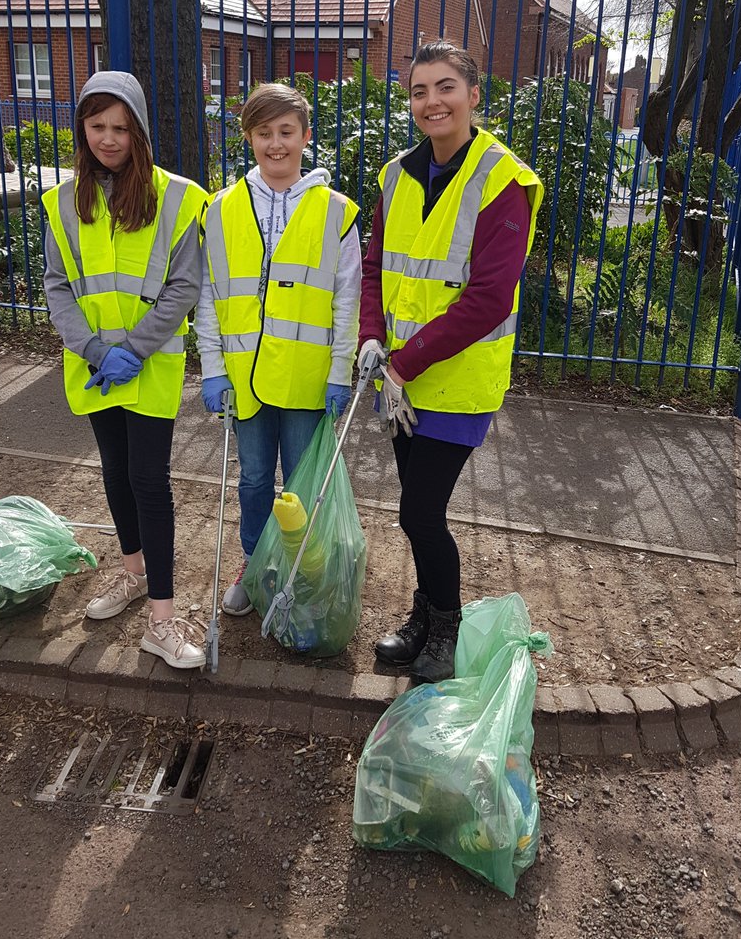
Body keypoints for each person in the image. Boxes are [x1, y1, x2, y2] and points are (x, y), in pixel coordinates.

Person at [359, 41, 543, 682]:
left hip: (456, 381)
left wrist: (405, 362)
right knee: (416, 504)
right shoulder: (395, 175)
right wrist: (370, 339)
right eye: (418, 91)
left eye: (445, 88)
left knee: (419, 512)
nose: (430, 102)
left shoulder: (503, 180)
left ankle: (446, 627)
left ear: (472, 95)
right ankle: (424, 614)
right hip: (399, 375)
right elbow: (376, 265)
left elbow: (491, 297)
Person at [42, 71, 209, 669]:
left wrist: (131, 350)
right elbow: (57, 285)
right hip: (93, 368)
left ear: (138, 130)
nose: (108, 139)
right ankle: (133, 571)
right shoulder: (63, 202)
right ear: (82, 129)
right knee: (114, 473)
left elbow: (184, 285)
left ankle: (161, 621)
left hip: (148, 366)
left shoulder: (179, 197)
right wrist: (93, 350)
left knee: (148, 481)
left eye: (120, 128)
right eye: (97, 126)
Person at [196, 82, 361, 616]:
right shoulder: (219, 210)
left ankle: (301, 569)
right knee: (253, 478)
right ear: (248, 138)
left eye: (286, 132)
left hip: (306, 377)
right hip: (243, 377)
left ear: (305, 136)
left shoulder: (337, 212)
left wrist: (340, 372)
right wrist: (211, 369)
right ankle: (253, 565)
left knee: (302, 482)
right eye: (263, 133)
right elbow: (209, 296)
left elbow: (347, 300)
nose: (275, 144)